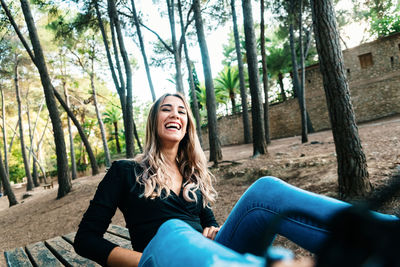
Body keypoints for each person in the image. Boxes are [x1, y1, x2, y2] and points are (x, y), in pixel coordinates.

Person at [74, 93, 398, 267]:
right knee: (172, 229)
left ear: (187, 124)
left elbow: (209, 223)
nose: (175, 114)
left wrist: (213, 230)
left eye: (182, 111)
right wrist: (145, 261)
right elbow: (86, 240)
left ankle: (387, 236)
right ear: (153, 120)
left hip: (208, 255)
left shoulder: (192, 174)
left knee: (265, 190)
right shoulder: (124, 171)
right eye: (166, 109)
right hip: (163, 256)